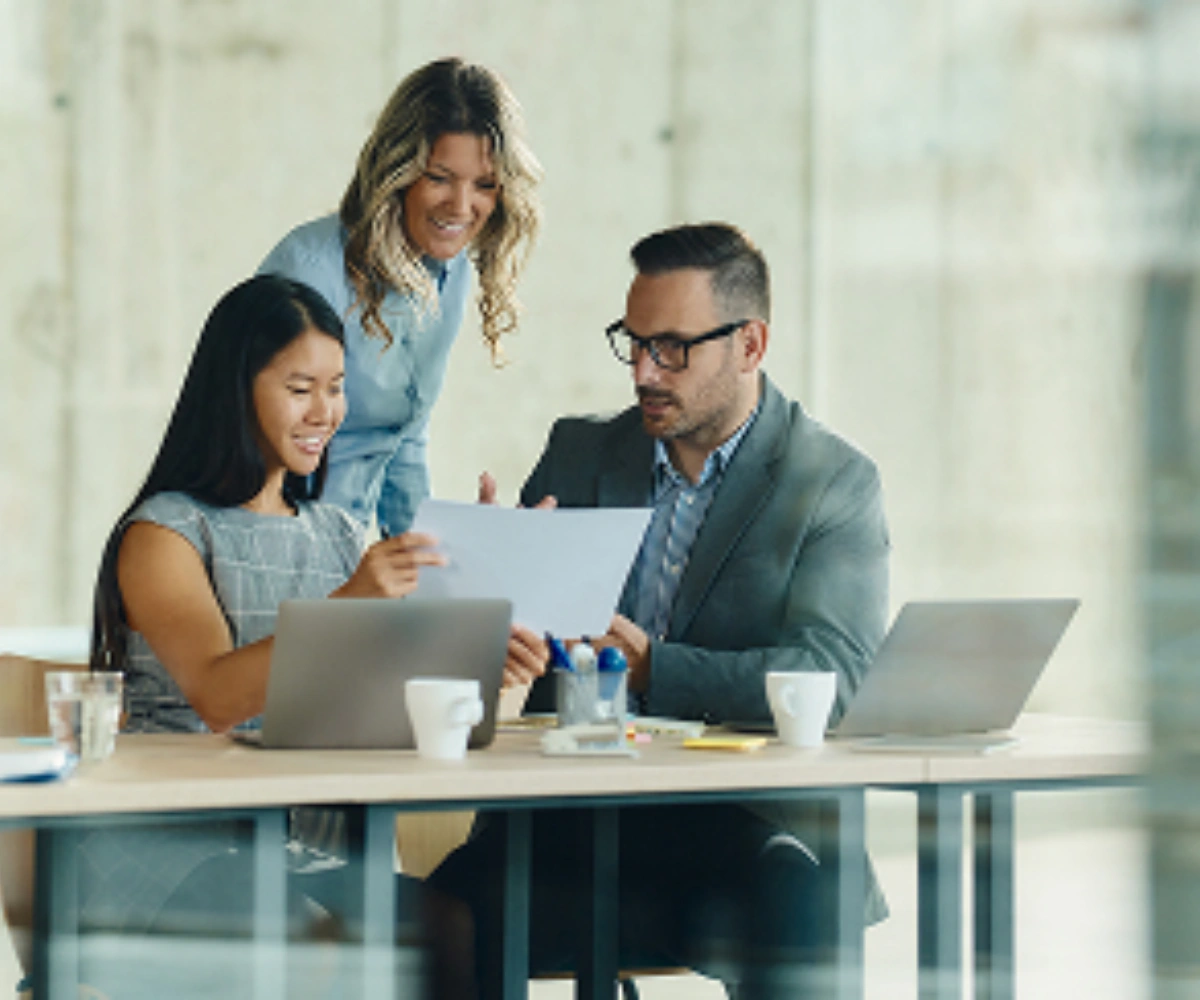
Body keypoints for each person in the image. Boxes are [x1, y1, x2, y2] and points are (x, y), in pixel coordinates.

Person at [432, 223, 891, 999]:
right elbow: (508, 649)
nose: (645, 370)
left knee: (802, 899)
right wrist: (485, 579)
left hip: (734, 826)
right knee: (430, 912)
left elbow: (836, 678)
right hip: (565, 818)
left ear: (751, 344)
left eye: (673, 348)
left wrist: (656, 668)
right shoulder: (580, 452)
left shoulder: (831, 481)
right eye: (634, 342)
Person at [86, 274, 464, 999]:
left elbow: (389, 704)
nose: (327, 412)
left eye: (337, 386)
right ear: (237, 391)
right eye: (301, 388)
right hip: (171, 842)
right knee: (298, 937)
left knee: (447, 925)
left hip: (303, 845)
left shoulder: (344, 534)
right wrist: (353, 602)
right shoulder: (165, 533)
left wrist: (478, 609)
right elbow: (218, 695)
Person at [258, 56, 542, 538]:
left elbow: (403, 438)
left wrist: (430, 565)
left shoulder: (450, 272)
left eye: (485, 185)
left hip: (349, 552)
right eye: (438, 177)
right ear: (397, 169)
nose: (461, 206)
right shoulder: (308, 273)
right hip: (282, 547)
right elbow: (252, 441)